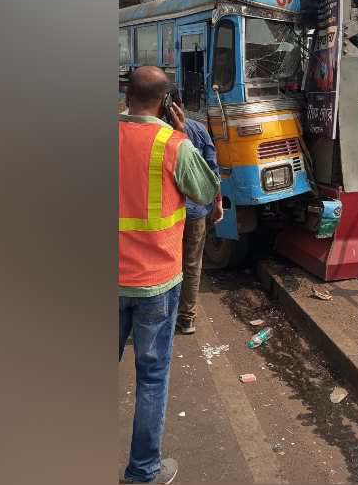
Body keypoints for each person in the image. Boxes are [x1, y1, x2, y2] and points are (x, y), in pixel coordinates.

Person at [119, 66, 220, 484]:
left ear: (127, 95)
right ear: (165, 101)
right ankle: (143, 471)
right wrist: (181, 134)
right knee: (152, 376)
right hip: (155, 282)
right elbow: (207, 192)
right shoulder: (173, 144)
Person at [167, 91, 224, 336]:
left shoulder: (157, 135)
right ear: (180, 105)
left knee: (167, 266)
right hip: (196, 211)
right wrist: (218, 202)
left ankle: (165, 318)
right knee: (191, 264)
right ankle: (187, 318)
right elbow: (213, 172)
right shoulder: (198, 129)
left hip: (166, 213)